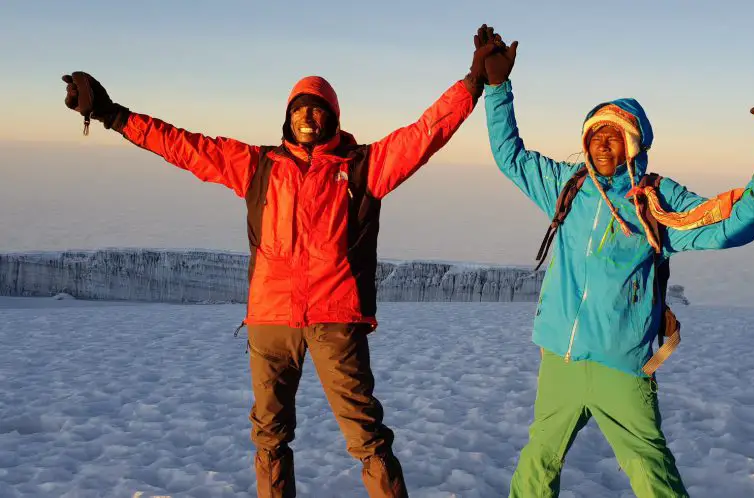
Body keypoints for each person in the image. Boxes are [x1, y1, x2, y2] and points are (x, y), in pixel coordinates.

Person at [61, 25, 504, 498]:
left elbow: (425, 133)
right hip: (271, 322)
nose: (308, 116)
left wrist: (472, 84)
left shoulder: (362, 166)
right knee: (270, 439)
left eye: (318, 108)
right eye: (299, 109)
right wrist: (111, 114)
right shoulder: (259, 166)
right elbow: (182, 146)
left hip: (337, 321)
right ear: (288, 118)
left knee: (368, 438)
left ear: (333, 116)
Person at [479, 35, 754, 497]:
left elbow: (717, 224)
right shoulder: (566, 187)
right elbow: (510, 156)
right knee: (538, 461)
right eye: (596, 134)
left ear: (633, 144)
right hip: (560, 358)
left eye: (614, 135)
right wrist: (497, 89)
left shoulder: (654, 200)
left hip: (622, 366)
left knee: (649, 468)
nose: (603, 143)